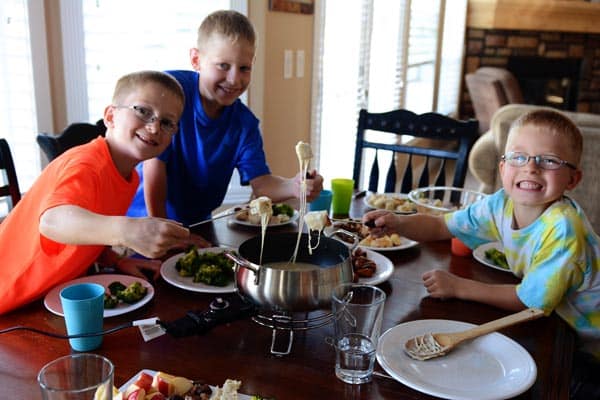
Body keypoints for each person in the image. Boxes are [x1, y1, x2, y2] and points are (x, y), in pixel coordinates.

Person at [364, 109, 600, 399]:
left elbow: (530, 302)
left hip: (590, 339)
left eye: (548, 160)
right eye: (518, 156)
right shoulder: (500, 203)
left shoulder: (564, 229)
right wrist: (399, 222)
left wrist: (460, 286)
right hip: (562, 322)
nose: (531, 168)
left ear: (572, 180)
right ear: (502, 168)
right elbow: (441, 225)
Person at [0, 70, 193, 315]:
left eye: (167, 122)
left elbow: (88, 229)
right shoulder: (87, 164)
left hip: (50, 296)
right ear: (111, 116)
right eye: (143, 111)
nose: (154, 128)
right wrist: (127, 231)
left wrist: (115, 259)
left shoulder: (129, 175)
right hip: (8, 302)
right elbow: (52, 222)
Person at [126, 10, 323, 227]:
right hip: (144, 222)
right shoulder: (170, 92)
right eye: (223, 66)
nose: (234, 79)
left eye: (244, 68)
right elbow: (154, 165)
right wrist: (160, 229)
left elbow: (262, 184)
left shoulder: (244, 124)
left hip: (198, 226)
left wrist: (294, 186)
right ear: (196, 59)